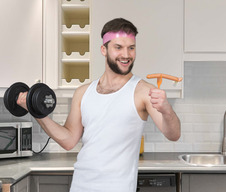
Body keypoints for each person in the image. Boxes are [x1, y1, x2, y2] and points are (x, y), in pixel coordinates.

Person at [17, 18, 181, 192]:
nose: (126, 54)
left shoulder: (143, 92)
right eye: (118, 47)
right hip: (81, 186)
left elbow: (174, 134)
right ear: (104, 49)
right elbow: (68, 140)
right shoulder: (83, 93)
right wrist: (34, 110)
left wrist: (166, 109)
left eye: (131, 48)